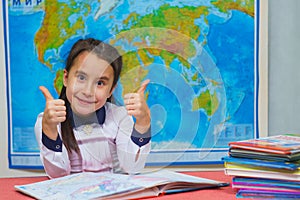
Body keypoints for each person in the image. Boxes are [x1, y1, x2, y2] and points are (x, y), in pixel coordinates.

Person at [34, 38, 151, 179]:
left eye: (100, 83)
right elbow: (57, 175)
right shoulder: (48, 121)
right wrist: (49, 129)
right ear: (66, 78)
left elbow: (132, 167)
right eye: (81, 78)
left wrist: (143, 123)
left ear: (111, 90)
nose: (88, 91)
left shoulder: (120, 117)